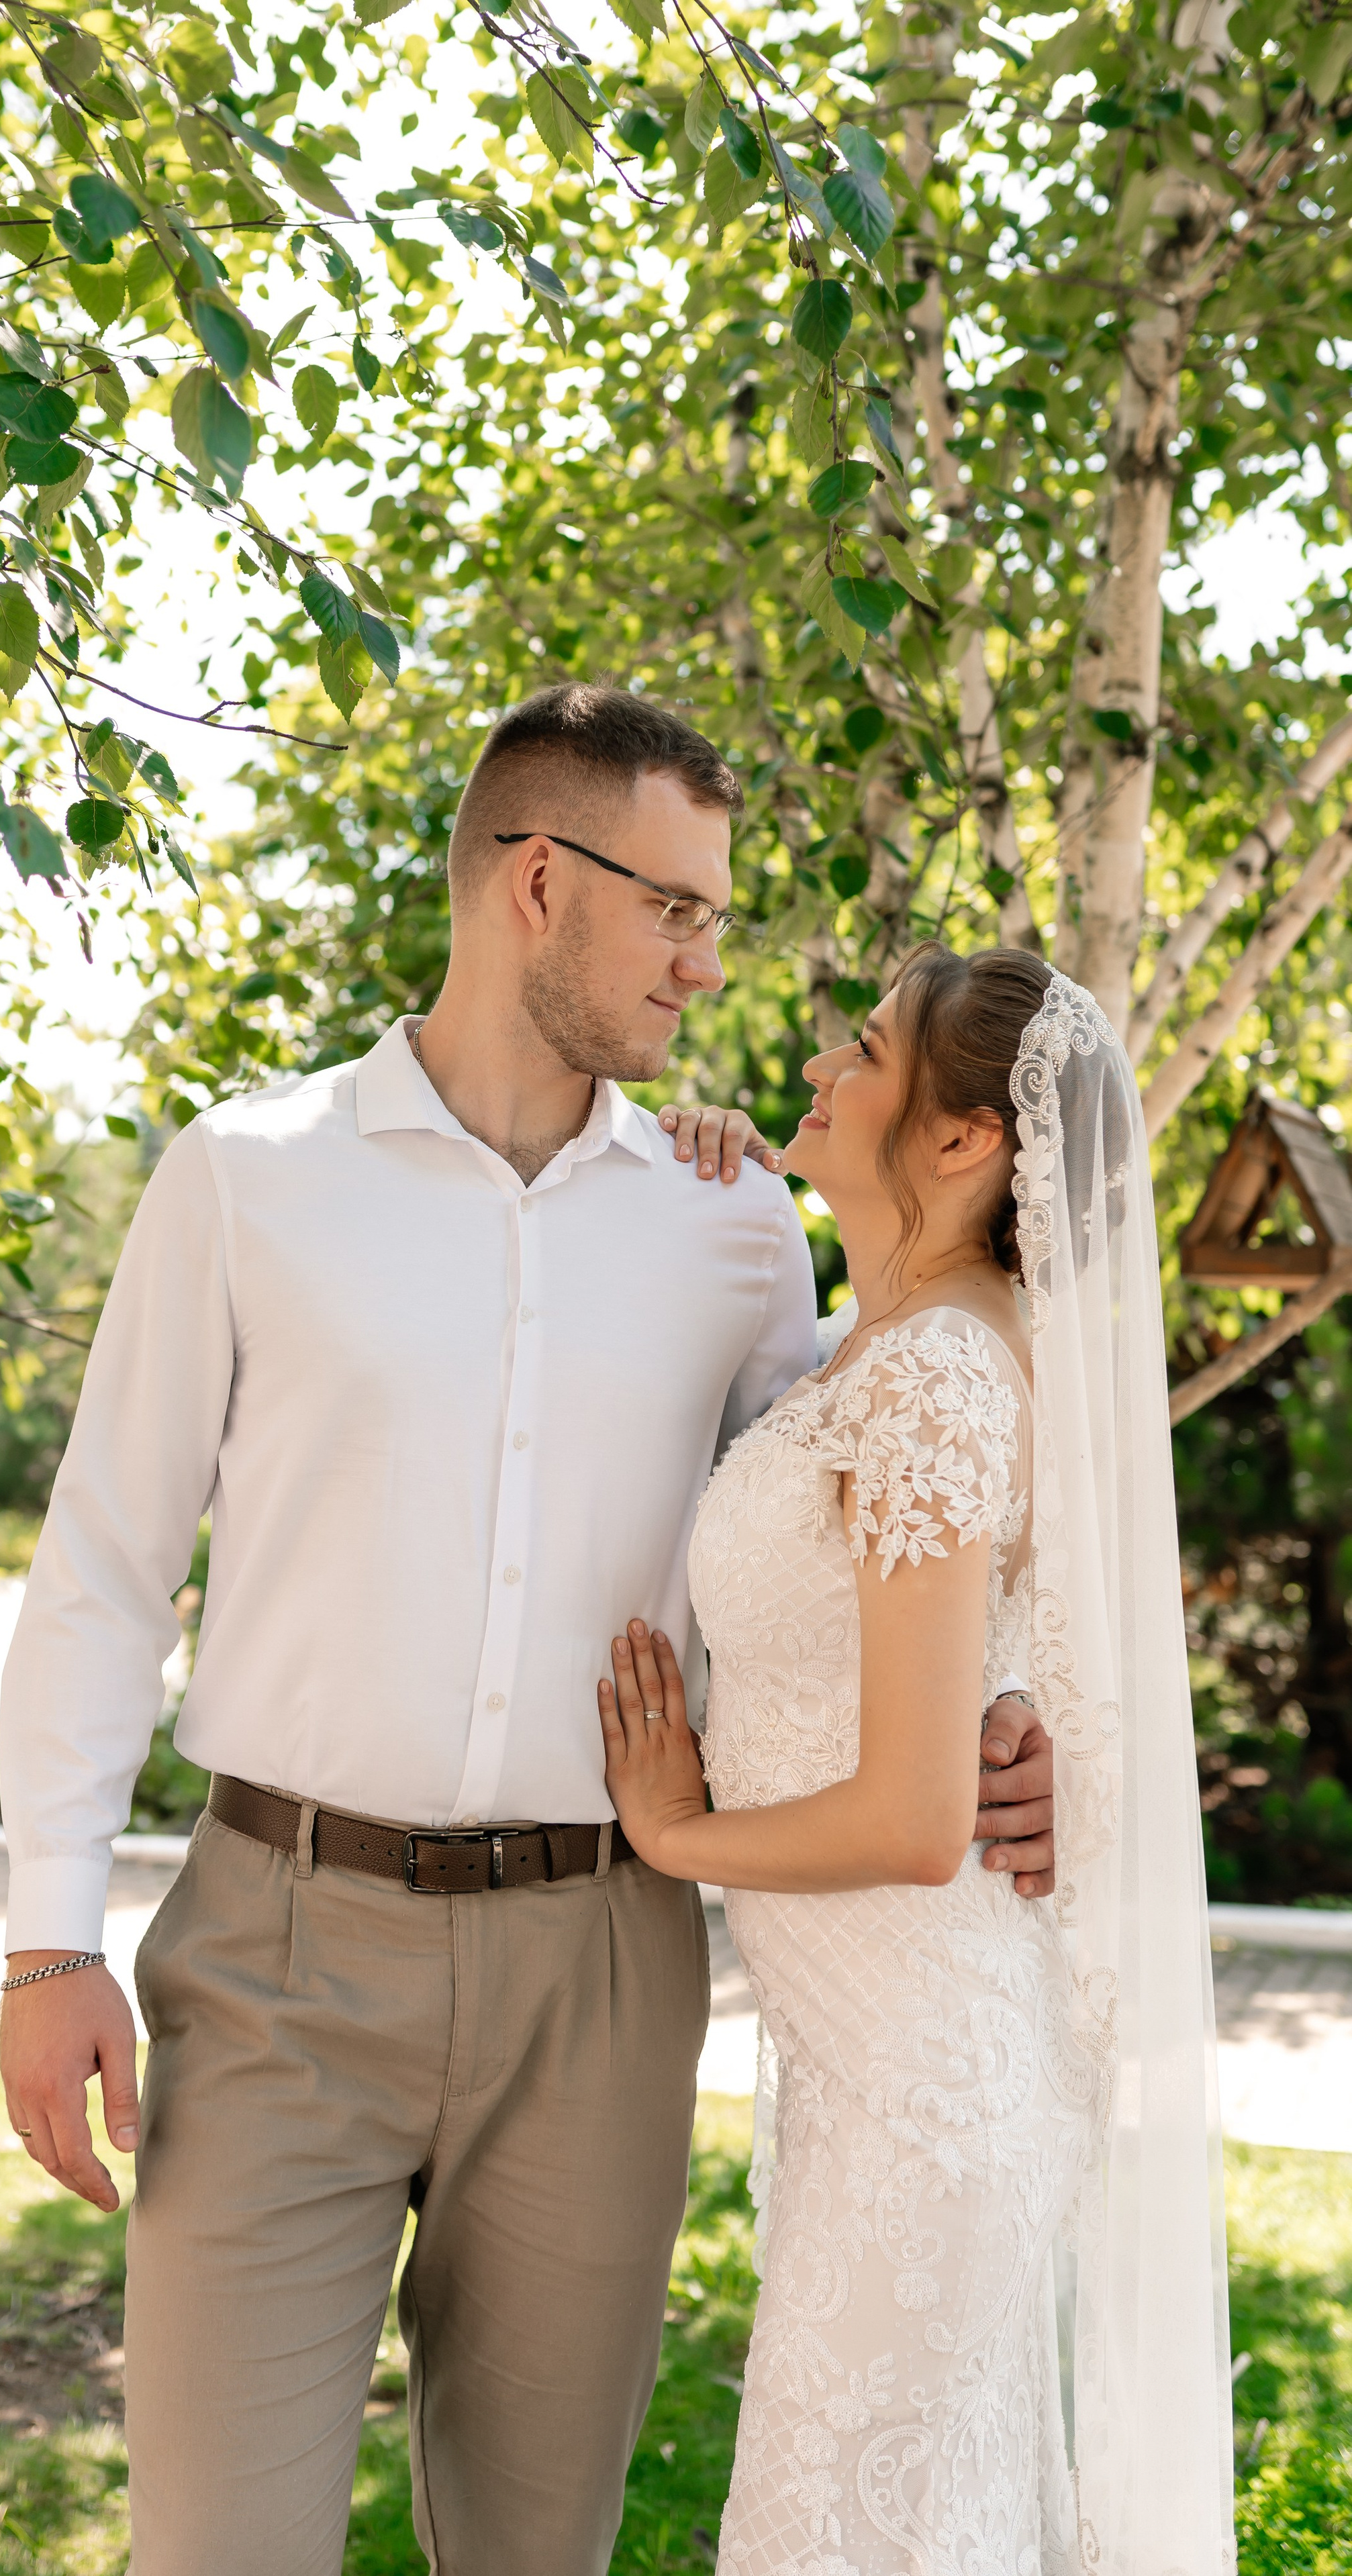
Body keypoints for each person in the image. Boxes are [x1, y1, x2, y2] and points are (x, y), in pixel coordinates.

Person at [0, 685, 1055, 2576]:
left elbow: (851, 1530)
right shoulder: (249, 1175)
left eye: (716, 917)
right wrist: (43, 1939)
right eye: (678, 909)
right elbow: (102, 1561)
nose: (706, 959)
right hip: (280, 1955)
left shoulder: (731, 1226)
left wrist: (1006, 1723)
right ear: (539, 883)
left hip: (603, 1969)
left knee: (535, 2549)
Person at [601, 944, 1234, 2574]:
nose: (821, 1057)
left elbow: (909, 1812)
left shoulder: (942, 1374)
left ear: (960, 1140)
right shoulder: (889, 1344)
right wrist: (701, 1156)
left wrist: (676, 1832)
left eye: (863, 1047)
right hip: (895, 2077)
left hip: (923, 2098)